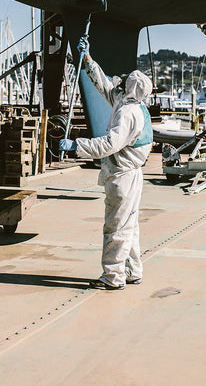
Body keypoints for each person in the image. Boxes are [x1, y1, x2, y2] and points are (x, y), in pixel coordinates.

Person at [60, 36, 153, 290]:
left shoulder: (127, 113)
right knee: (129, 225)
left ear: (130, 87)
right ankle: (133, 270)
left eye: (124, 81)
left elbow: (108, 144)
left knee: (115, 227)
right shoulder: (133, 104)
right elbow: (104, 85)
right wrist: (89, 61)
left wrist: (76, 145)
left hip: (122, 176)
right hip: (132, 175)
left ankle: (113, 277)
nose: (119, 82)